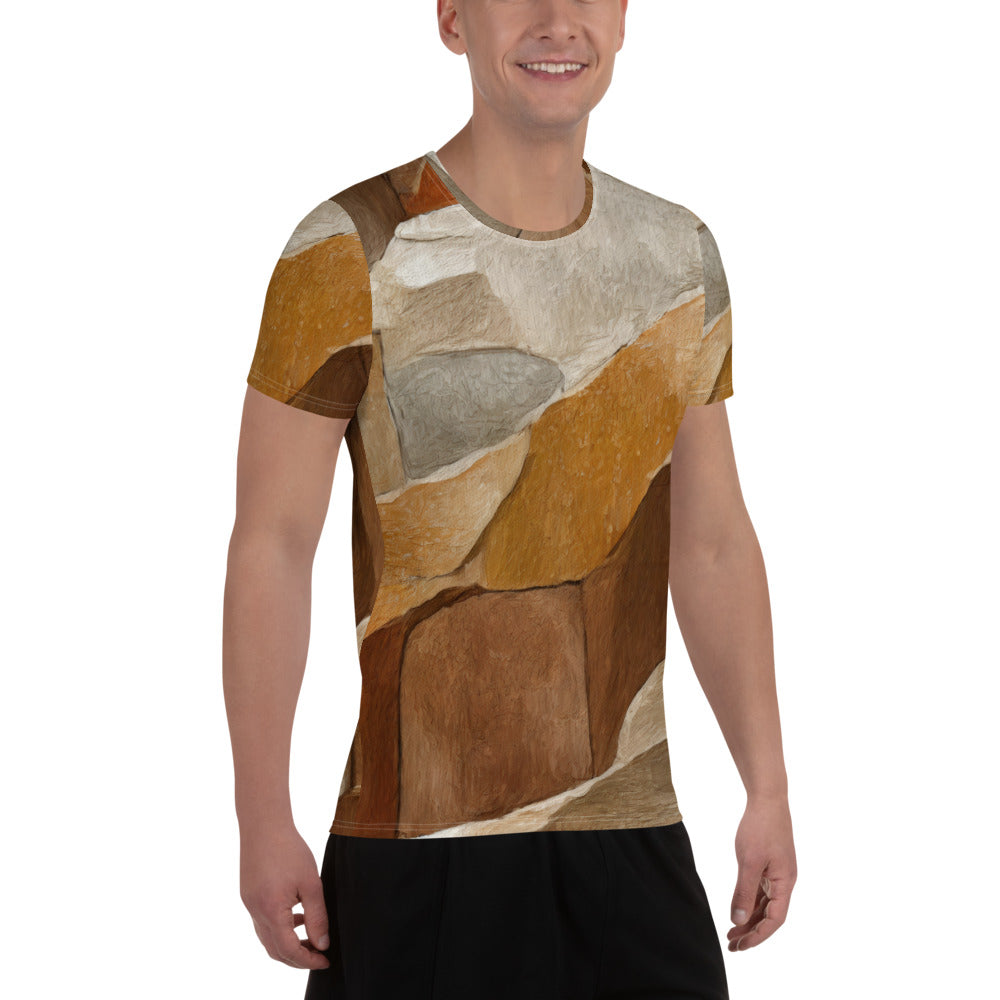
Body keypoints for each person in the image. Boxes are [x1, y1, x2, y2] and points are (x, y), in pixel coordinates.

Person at [223, 0, 796, 996]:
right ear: (453, 18)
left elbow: (710, 540)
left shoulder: (677, 253)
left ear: (624, 19)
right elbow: (273, 540)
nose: (556, 21)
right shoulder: (350, 246)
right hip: (417, 851)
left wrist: (768, 786)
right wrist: (261, 815)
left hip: (629, 840)